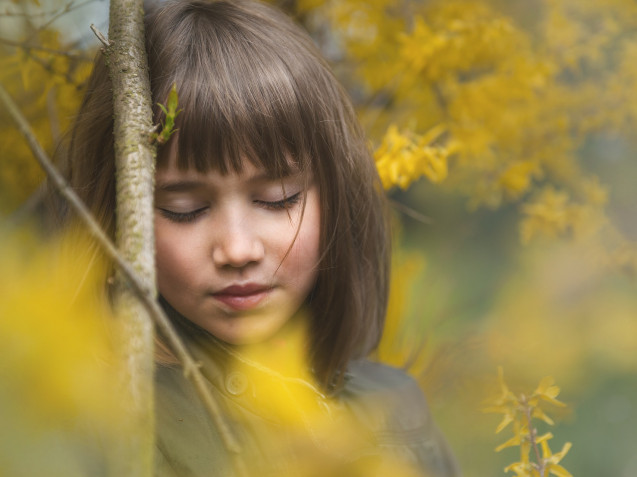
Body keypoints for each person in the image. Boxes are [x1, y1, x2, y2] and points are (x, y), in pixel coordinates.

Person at [62, 0, 460, 475]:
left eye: (277, 198)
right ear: (114, 215)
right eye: (183, 209)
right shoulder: (91, 422)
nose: (238, 250)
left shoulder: (398, 411)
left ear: (336, 200)